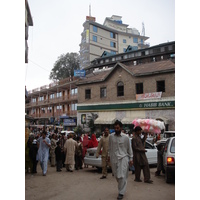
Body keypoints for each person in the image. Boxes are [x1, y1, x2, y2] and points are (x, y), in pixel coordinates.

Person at [108, 120, 133, 200]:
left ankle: (121, 193)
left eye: (118, 128)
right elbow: (109, 147)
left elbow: (129, 149)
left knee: (121, 176)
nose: (116, 129)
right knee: (116, 175)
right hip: (114, 158)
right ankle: (122, 188)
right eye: (115, 128)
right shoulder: (111, 136)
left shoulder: (126, 137)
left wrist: (131, 158)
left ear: (121, 128)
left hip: (123, 158)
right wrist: (109, 156)